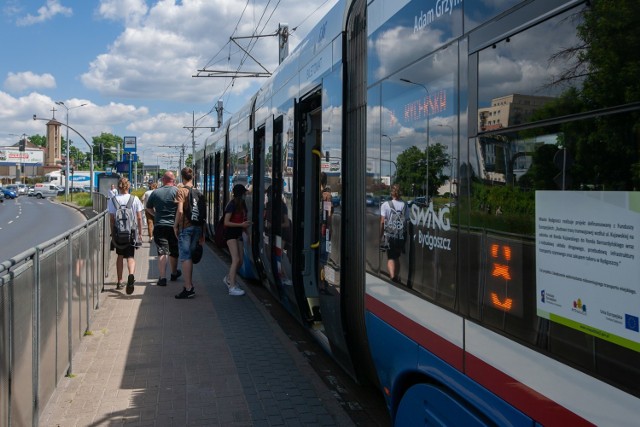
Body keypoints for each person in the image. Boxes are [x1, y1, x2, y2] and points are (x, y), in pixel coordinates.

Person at [108, 177, 144, 294]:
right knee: (130, 256)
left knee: (119, 255)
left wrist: (112, 233)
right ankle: (131, 275)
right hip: (131, 232)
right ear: (129, 186)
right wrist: (140, 232)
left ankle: (119, 281)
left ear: (118, 187)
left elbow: (112, 219)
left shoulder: (113, 200)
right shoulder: (134, 199)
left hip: (119, 233)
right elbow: (139, 217)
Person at [173, 167, 205, 299]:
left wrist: (175, 226)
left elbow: (180, 211)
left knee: (185, 257)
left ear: (182, 177)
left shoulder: (181, 191)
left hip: (186, 228)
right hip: (197, 227)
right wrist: (203, 233)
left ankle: (188, 287)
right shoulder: (198, 192)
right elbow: (203, 214)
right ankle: (189, 284)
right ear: (192, 177)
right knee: (190, 256)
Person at [146, 172, 181, 287]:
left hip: (159, 225)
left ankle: (162, 278)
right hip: (173, 226)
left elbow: (148, 207)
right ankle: (174, 273)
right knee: (173, 250)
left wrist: (155, 215)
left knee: (162, 251)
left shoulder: (156, 192)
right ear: (173, 180)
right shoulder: (177, 191)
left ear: (163, 180)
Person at [223, 184, 251, 296]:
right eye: (244, 193)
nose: (246, 194)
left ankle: (229, 278)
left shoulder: (242, 204)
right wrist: (241, 225)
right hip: (230, 234)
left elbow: (244, 222)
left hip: (238, 234)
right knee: (236, 259)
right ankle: (232, 287)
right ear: (240, 194)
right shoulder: (232, 204)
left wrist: (247, 233)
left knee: (240, 261)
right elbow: (226, 222)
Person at [380, 184, 408, 283]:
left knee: (391, 257)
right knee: (397, 257)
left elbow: (382, 222)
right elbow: (406, 221)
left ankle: (392, 276)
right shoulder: (405, 205)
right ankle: (396, 275)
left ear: (391, 192)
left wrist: (380, 236)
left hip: (390, 236)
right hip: (400, 236)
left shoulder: (385, 205)